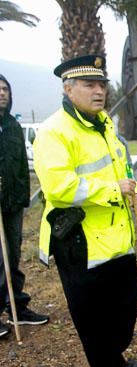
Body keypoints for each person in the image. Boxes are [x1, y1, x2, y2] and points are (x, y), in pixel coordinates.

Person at [33, 55, 137, 367]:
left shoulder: (105, 124)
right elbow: (60, 188)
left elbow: (121, 165)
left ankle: (113, 355)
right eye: (89, 85)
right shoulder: (54, 131)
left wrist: (135, 191)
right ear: (68, 89)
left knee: (125, 307)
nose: (99, 91)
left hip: (116, 236)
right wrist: (114, 191)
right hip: (78, 240)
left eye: (102, 85)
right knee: (93, 315)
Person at [0, 74, 50, 339]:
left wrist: (22, 197)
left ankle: (18, 307)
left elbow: (20, 165)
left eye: (5, 88)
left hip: (12, 203)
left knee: (13, 255)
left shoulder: (12, 126)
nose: (2, 93)